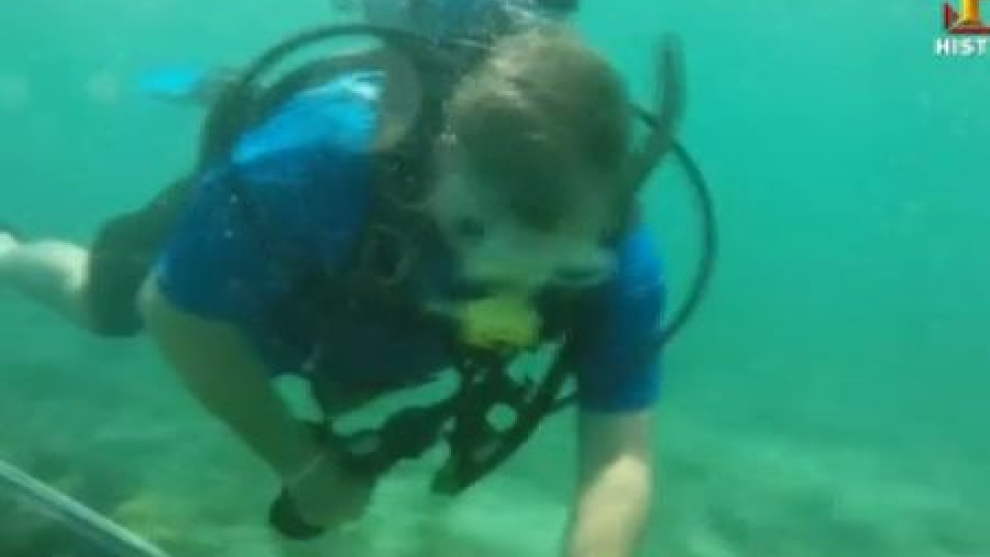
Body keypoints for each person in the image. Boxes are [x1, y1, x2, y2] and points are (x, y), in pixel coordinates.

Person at [0, 17, 686, 557]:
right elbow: (174, 312)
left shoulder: (620, 251)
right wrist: (302, 467)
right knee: (103, 301)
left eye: (561, 263)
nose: (512, 279)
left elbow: (620, 456)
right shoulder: (309, 165)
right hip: (275, 280)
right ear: (443, 158)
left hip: (377, 330)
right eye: (477, 233)